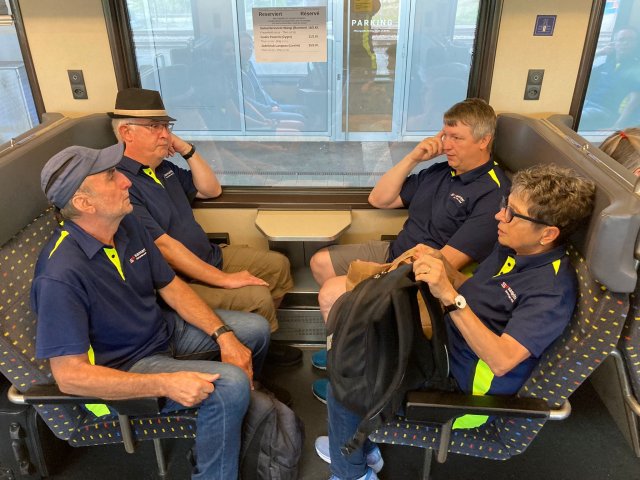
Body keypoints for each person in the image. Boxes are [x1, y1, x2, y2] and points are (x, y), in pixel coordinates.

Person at [314, 164, 596, 480]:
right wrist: (443, 267)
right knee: (363, 336)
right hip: (444, 348)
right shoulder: (513, 248)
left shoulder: (551, 291)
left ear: (548, 233)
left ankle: (350, 474)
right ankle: (363, 451)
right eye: (505, 205)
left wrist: (450, 297)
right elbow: (476, 292)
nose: (499, 216)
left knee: (349, 377)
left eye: (512, 214)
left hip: (461, 391)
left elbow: (502, 360)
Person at [32, 143, 271, 479]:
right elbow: (70, 377)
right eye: (112, 176)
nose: (126, 181)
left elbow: (171, 286)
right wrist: (166, 383)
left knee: (255, 331)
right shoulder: (60, 274)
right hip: (128, 364)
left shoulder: (126, 225)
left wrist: (223, 335)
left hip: (162, 331)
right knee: (229, 385)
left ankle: (238, 415)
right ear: (85, 203)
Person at [309, 98, 511, 399]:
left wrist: (386, 274)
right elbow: (379, 199)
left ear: (484, 141)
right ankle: (353, 350)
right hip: (396, 251)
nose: (447, 145)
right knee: (320, 262)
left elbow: (444, 263)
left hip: (418, 275)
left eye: (457, 138)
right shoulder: (441, 172)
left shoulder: (492, 193)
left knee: (331, 293)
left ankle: (352, 380)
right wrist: (413, 158)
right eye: (445, 135)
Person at [110, 87, 302, 368]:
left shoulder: (163, 168)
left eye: (166, 126)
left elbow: (211, 189)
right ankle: (255, 357)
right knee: (258, 297)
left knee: (278, 265)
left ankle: (262, 341)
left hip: (209, 255)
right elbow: (165, 248)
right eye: (154, 127)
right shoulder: (124, 183)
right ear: (127, 133)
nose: (165, 134)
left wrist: (186, 150)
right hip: (181, 278)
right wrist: (223, 279)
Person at [581, 27, 640, 130]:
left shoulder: (636, 68)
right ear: (614, 43)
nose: (626, 43)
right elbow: (579, 67)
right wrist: (600, 52)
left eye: (630, 40)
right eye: (622, 39)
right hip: (585, 103)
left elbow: (635, 100)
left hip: (604, 110)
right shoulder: (607, 62)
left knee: (574, 119)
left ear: (636, 44)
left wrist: (617, 126)